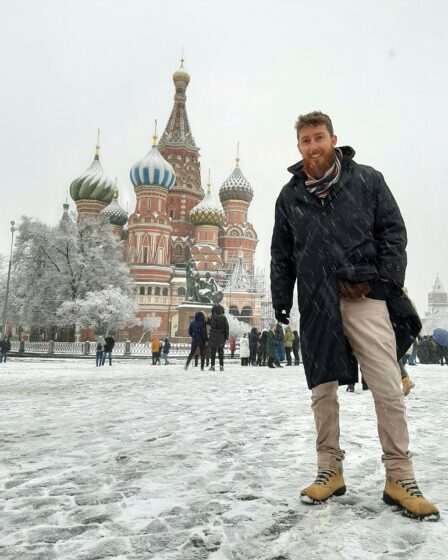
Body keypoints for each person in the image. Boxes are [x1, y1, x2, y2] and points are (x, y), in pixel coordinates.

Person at [270, 111, 438, 520]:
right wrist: (280, 300)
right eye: (306, 140)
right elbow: (281, 254)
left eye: (319, 137)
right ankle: (330, 470)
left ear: (333, 139)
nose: (313, 146)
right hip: (315, 303)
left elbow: (393, 233)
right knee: (322, 391)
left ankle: (399, 475)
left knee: (387, 385)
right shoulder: (290, 196)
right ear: (299, 147)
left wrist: (382, 281)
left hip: (363, 297)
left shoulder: (366, 180)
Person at [208, 304, 229, 371]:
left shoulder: (212, 317)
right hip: (221, 337)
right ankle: (221, 366)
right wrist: (226, 336)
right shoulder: (223, 317)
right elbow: (227, 327)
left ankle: (213, 366)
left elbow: (208, 323)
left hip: (213, 336)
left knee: (213, 352)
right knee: (221, 352)